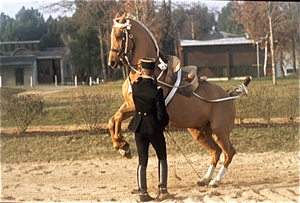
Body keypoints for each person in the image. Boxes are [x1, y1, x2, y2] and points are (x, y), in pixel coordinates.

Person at [128, 57, 170, 202]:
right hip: (153, 128)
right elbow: (161, 113)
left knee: (142, 160)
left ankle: (142, 192)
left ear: (141, 71)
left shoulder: (136, 86)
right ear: (154, 72)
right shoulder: (157, 91)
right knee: (162, 157)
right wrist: (164, 123)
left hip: (139, 126)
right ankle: (163, 190)